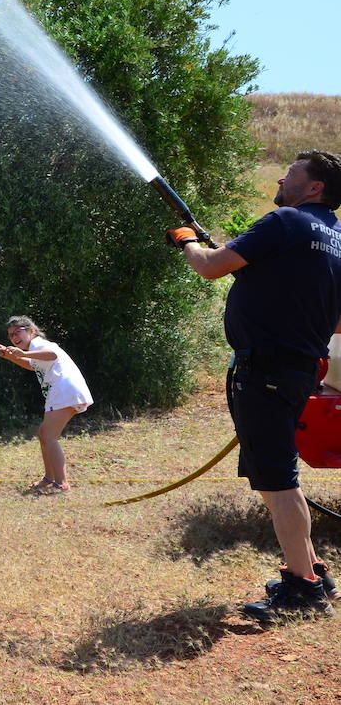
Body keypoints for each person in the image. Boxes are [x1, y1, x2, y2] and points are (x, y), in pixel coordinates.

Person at [169, 149, 341, 622]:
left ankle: (305, 589)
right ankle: (310, 572)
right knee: (282, 481)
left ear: (314, 188)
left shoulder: (285, 221)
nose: (283, 177)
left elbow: (208, 266)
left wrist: (186, 240)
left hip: (264, 372)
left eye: (293, 173)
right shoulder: (337, 240)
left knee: (279, 484)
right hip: (299, 371)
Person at [0, 316, 91, 494]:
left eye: (17, 332)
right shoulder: (34, 349)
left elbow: (52, 355)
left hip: (65, 390)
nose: (14, 337)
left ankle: (61, 483)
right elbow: (33, 366)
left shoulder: (39, 344)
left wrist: (22, 353)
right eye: (10, 335)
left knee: (49, 436)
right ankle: (49, 478)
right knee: (44, 434)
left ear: (31, 331)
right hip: (62, 391)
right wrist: (10, 357)